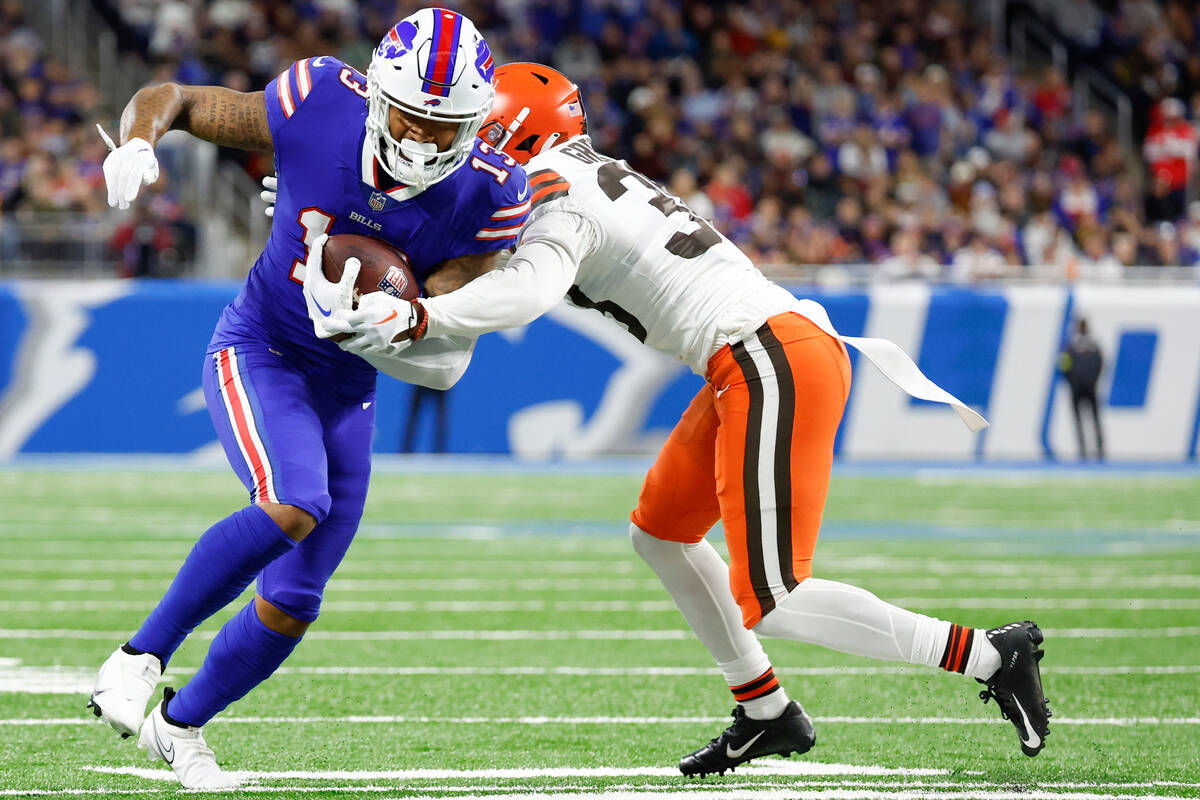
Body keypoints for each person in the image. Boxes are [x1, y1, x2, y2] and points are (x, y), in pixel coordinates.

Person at [308, 63, 1051, 775]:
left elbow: (527, 292)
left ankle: (991, 653)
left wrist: (419, 312)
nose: (467, 152)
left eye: (479, 135)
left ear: (514, 134)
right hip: (754, 356)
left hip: (769, 356)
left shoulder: (555, 193)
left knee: (775, 596)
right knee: (660, 532)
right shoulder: (585, 176)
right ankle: (765, 711)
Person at [86, 9, 527, 789]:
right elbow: (175, 96)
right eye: (412, 118)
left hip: (349, 381)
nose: (424, 141)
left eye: (444, 125)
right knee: (295, 503)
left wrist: (405, 311)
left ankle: (179, 729)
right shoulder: (321, 97)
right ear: (379, 95)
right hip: (261, 346)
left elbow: (453, 297)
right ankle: (138, 655)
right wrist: (140, 140)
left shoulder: (492, 189)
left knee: (295, 599)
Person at [1059, 317, 1105, 460]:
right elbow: (1064, 366)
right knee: (1083, 421)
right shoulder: (1073, 347)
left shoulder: (1076, 347)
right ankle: (1085, 450)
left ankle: (1098, 449)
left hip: (1087, 388)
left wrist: (1089, 381)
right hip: (1081, 388)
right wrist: (1073, 382)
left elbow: (1100, 365)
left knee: (1093, 420)